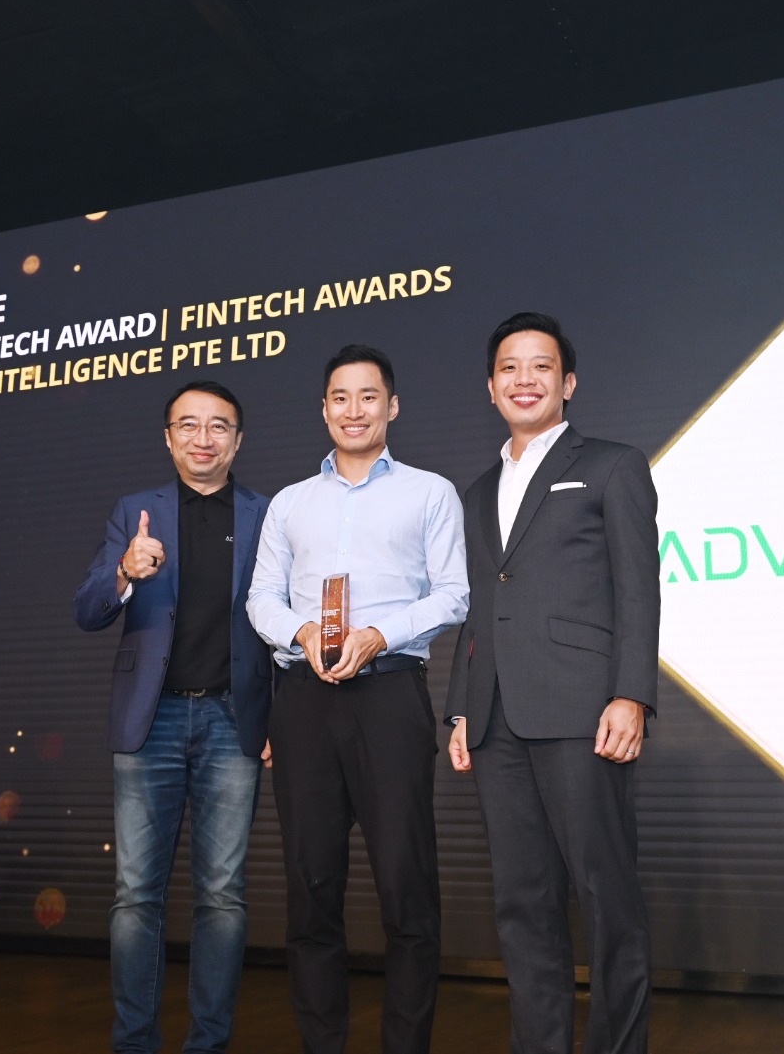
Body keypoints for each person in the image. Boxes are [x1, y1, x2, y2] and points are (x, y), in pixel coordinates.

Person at [445, 312, 659, 1054]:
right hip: (495, 719)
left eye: (541, 366)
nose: (524, 379)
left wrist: (631, 694)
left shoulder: (612, 465)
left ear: (568, 383)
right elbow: (480, 606)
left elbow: (639, 591)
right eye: (509, 367)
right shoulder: (476, 491)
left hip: (582, 710)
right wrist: (459, 709)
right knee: (523, 903)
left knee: (606, 898)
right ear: (490, 387)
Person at [247, 344, 468, 1054]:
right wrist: (302, 630)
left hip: (390, 695)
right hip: (304, 700)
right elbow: (261, 597)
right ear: (323, 409)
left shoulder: (430, 492)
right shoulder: (289, 503)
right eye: (340, 397)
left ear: (391, 406)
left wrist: (380, 634)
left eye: (368, 396)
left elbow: (454, 594)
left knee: (407, 887)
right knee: (311, 888)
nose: (354, 410)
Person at [73, 380, 273, 1054]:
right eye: (188, 425)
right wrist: (124, 570)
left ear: (238, 441)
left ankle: (208, 1043)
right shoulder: (136, 512)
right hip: (149, 720)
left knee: (223, 896)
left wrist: (276, 717)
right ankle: (135, 1041)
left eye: (219, 426)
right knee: (136, 894)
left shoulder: (268, 514)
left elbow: (283, 620)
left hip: (232, 723)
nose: (203, 438)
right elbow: (88, 609)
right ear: (168, 438)